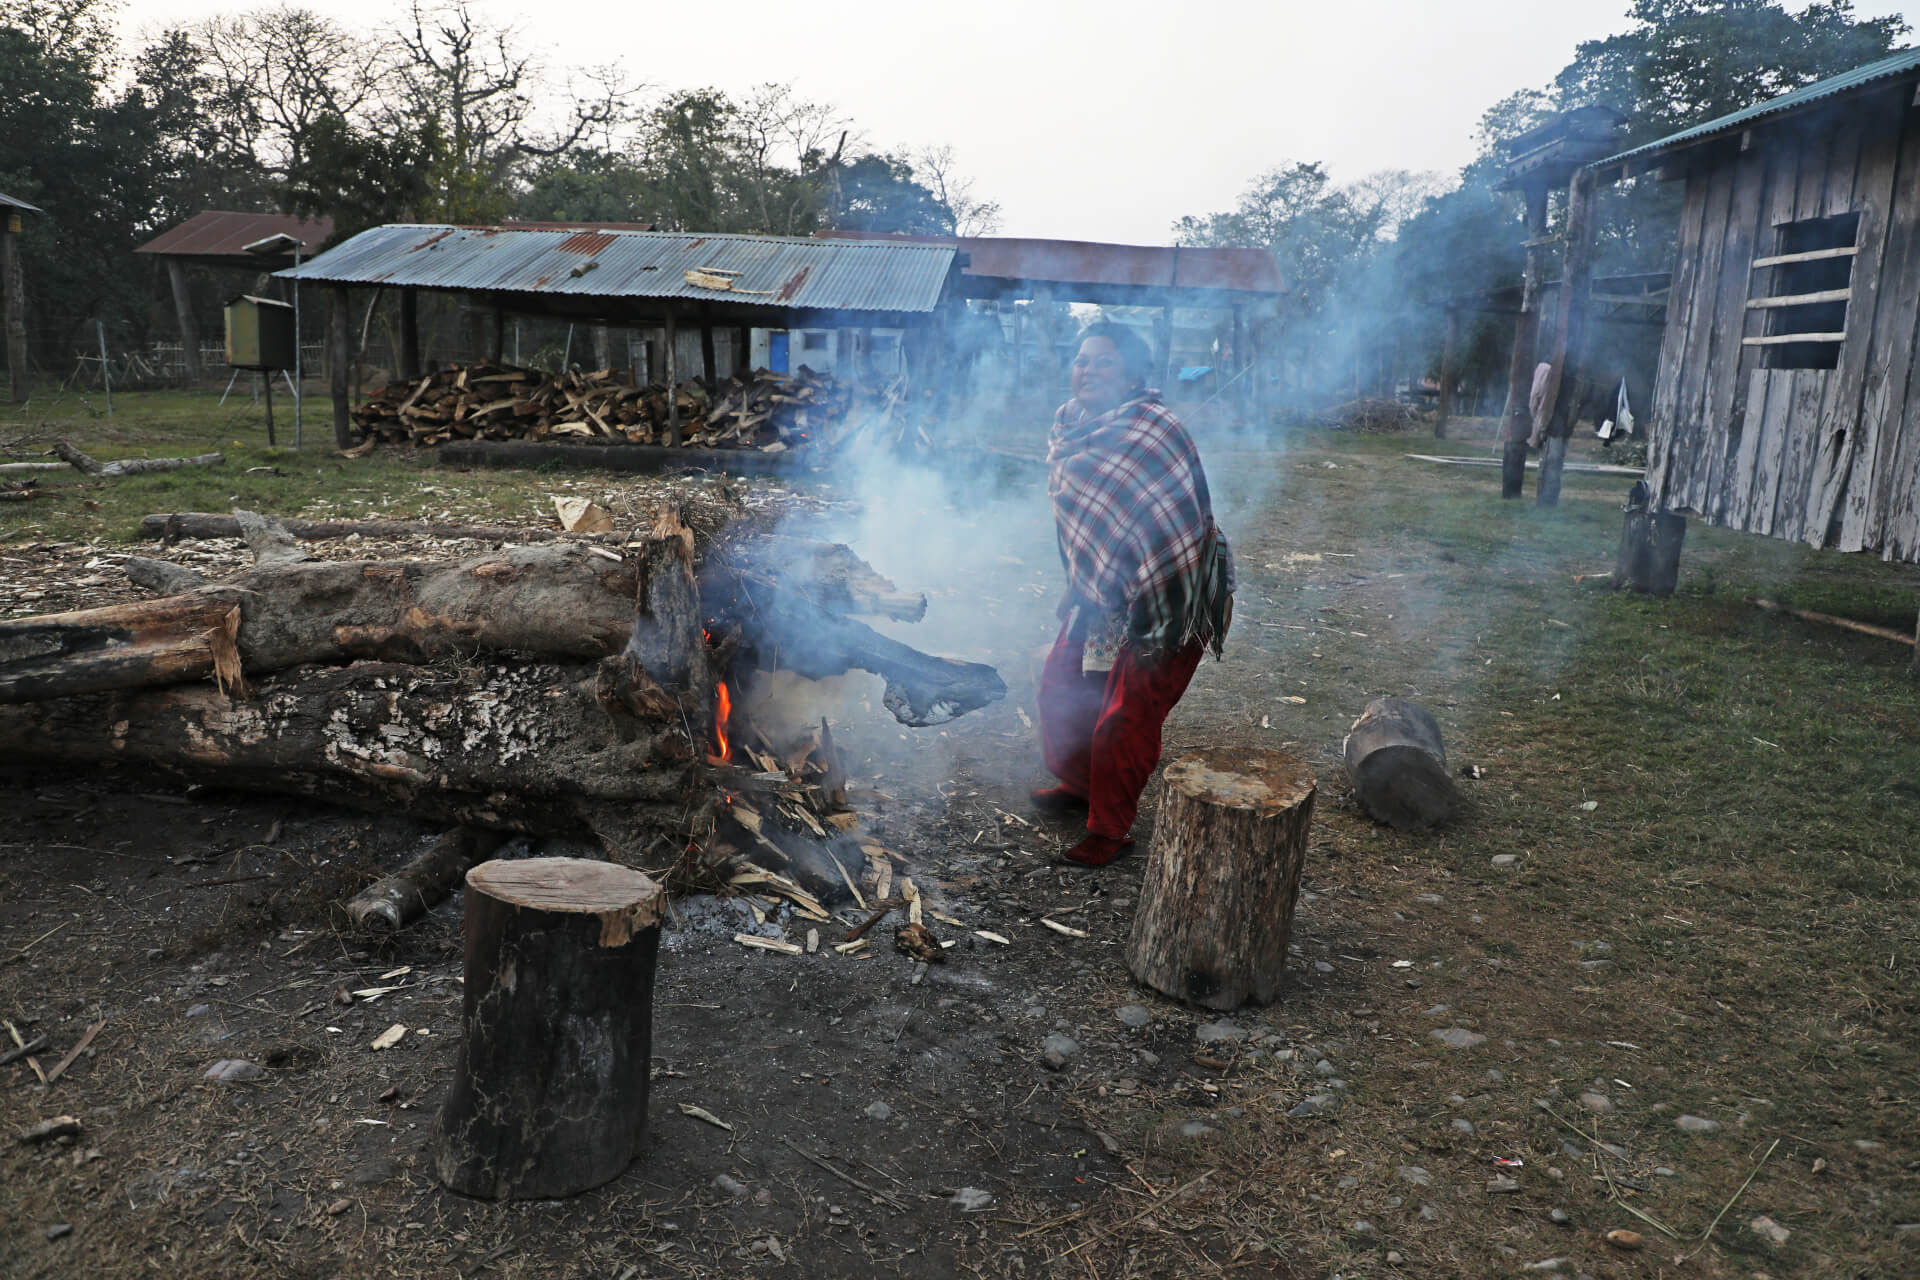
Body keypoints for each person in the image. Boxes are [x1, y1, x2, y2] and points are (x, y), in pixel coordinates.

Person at [1033, 322, 1234, 867]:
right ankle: (1079, 785)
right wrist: (1081, 585)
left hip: (1165, 598)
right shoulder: (1068, 426)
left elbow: (1175, 530)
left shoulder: (1154, 429)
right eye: (1081, 360)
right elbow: (1088, 527)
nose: (1088, 371)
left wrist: (1147, 608)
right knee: (1061, 687)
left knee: (1126, 714)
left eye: (1104, 363)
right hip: (1101, 594)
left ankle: (1110, 829)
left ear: (1132, 374)